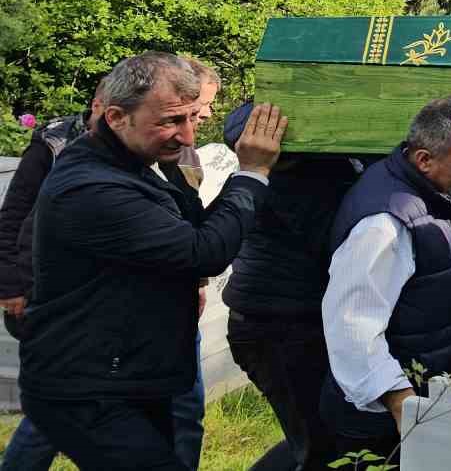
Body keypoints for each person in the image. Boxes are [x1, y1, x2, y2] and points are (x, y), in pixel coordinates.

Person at [19, 52, 284, 471]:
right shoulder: (93, 187)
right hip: (89, 386)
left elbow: (196, 228)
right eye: (169, 121)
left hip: (131, 376)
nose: (187, 137)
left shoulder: (144, 164)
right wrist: (251, 174)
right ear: (116, 116)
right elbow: (203, 251)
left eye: (190, 119)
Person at [320, 95, 451, 461]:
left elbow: (449, 244)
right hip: (388, 420)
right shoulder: (383, 224)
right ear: (424, 159)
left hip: (432, 400)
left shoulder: (439, 187)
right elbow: (352, 326)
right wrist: (404, 406)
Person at [220, 101, 363, 471]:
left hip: (293, 321)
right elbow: (239, 126)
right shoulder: (293, 179)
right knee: (319, 446)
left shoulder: (325, 163)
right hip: (278, 328)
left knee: (319, 437)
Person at [0, 83, 105, 471]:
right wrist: (10, 285)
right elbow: (13, 214)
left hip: (88, 296)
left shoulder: (137, 146)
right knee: (56, 409)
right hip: (42, 294)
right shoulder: (54, 143)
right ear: (100, 104)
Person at [162, 55, 221, 471]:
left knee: (186, 411)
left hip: (179, 297)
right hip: (142, 305)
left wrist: (199, 281)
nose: (207, 113)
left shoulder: (188, 155)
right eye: (203, 103)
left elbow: (192, 218)